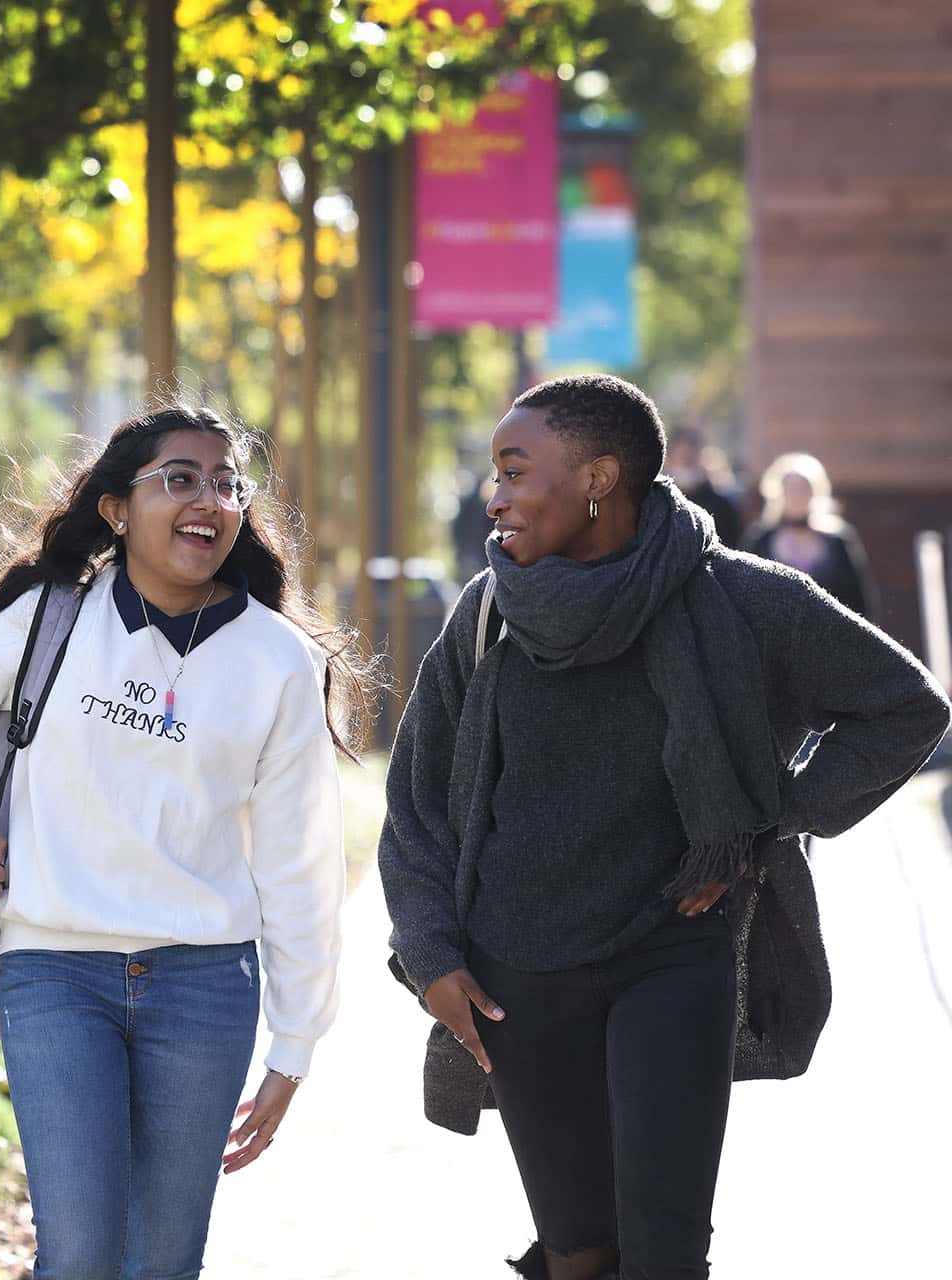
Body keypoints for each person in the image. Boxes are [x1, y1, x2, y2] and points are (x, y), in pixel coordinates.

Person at [379, 374, 950, 1280]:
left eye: (515, 470)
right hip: (519, 971)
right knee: (575, 1252)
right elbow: (415, 805)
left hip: (674, 951)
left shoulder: (743, 598)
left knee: (665, 1248)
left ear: (599, 477)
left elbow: (905, 707)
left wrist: (773, 817)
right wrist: (430, 951)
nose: (494, 496)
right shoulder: (489, 613)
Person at [0, 405, 370, 1278]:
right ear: (117, 509)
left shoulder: (277, 660)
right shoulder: (50, 618)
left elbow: (301, 862)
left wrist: (294, 1044)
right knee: (77, 1258)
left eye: (227, 484)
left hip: (204, 984)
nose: (211, 500)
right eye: (180, 478)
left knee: (161, 1263)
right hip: (55, 972)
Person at [743, 452, 878, 618]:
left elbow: (859, 599)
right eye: (791, 488)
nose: (797, 495)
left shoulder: (838, 540)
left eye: (803, 488)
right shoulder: (760, 539)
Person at [665, 427, 744, 548]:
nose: (688, 464)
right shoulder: (657, 503)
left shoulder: (721, 507)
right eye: (684, 458)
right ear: (669, 459)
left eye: (692, 458)